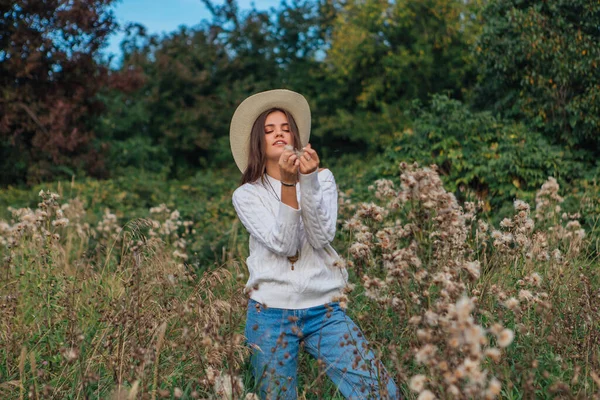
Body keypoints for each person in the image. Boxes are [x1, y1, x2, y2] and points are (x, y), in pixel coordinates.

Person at [230, 89, 399, 399]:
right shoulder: (247, 195)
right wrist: (289, 184)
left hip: (325, 309)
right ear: (258, 142)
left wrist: (306, 181)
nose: (279, 134)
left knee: (380, 392)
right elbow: (285, 244)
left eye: (285, 128)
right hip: (270, 313)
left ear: (296, 137)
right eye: (269, 131)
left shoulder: (323, 178)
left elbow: (322, 237)